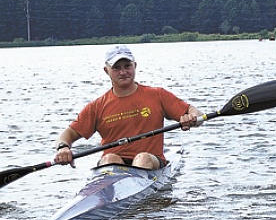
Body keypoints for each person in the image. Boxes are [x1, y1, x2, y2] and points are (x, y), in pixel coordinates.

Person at [54, 45, 203, 170]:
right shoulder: (97, 106)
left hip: (151, 163)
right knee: (110, 158)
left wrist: (192, 118)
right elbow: (66, 135)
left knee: (142, 158)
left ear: (135, 66)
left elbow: (195, 112)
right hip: (113, 166)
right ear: (106, 71)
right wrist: (63, 148)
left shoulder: (157, 95)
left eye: (127, 66)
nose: (123, 72)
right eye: (117, 68)